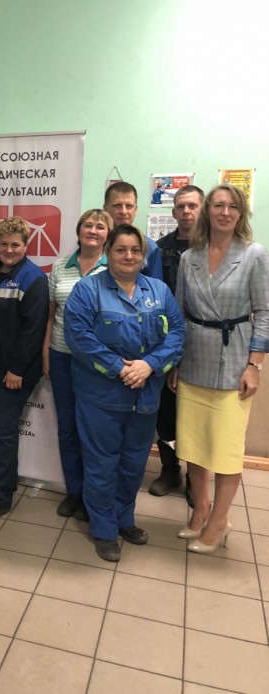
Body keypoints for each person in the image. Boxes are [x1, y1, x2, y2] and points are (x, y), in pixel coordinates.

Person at [64, 224, 185, 562]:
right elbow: (79, 338)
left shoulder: (159, 290)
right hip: (100, 397)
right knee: (102, 465)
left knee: (133, 463)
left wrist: (149, 365)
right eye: (121, 249)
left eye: (135, 250)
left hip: (145, 396)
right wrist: (121, 368)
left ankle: (124, 519)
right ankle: (104, 529)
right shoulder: (87, 290)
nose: (129, 256)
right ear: (108, 253)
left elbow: (176, 333)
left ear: (143, 255)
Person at [168, 184, 269, 553]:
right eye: (218, 205)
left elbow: (265, 313)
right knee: (193, 445)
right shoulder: (189, 257)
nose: (225, 212)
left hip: (234, 361)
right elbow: (179, 313)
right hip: (194, 357)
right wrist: (175, 361)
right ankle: (201, 509)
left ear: (241, 214)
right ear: (208, 211)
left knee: (225, 449)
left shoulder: (254, 254)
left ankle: (220, 521)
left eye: (233, 207)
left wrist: (255, 365)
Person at [0, 216, 49, 524]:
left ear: (26, 245)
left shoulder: (34, 278)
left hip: (12, 372)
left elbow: (34, 330)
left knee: (2, 434)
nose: (9, 249)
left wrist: (17, 369)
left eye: (15, 244)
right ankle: (4, 480)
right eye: (3, 243)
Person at [42, 208, 113, 519]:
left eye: (100, 226)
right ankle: (74, 491)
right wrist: (46, 353)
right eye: (88, 225)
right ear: (79, 230)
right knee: (68, 428)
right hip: (61, 356)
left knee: (94, 430)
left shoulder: (113, 267)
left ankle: (93, 495)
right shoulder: (60, 267)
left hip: (97, 362)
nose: (93, 230)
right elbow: (51, 315)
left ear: (108, 235)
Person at [149, 184, 204, 501]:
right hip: (166, 342)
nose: (186, 211)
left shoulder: (215, 247)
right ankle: (170, 469)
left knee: (197, 416)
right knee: (166, 413)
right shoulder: (160, 249)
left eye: (192, 206)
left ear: (202, 209)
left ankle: (198, 480)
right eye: (181, 206)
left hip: (204, 343)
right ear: (173, 212)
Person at [103, 181, 163, 280]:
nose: (123, 211)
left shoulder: (149, 247)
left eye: (129, 206)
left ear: (135, 210)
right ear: (105, 209)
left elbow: (155, 287)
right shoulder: (96, 243)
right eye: (117, 205)